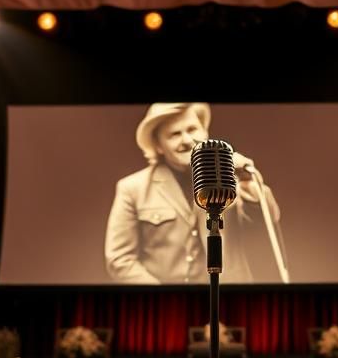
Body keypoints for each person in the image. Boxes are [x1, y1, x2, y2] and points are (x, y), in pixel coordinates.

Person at [104, 102, 287, 284]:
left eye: (192, 129)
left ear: (205, 133)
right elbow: (120, 259)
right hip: (167, 308)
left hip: (227, 302)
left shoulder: (230, 177)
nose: (186, 140)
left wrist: (248, 183)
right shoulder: (132, 188)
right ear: (158, 145)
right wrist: (163, 297)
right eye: (174, 134)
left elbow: (264, 226)